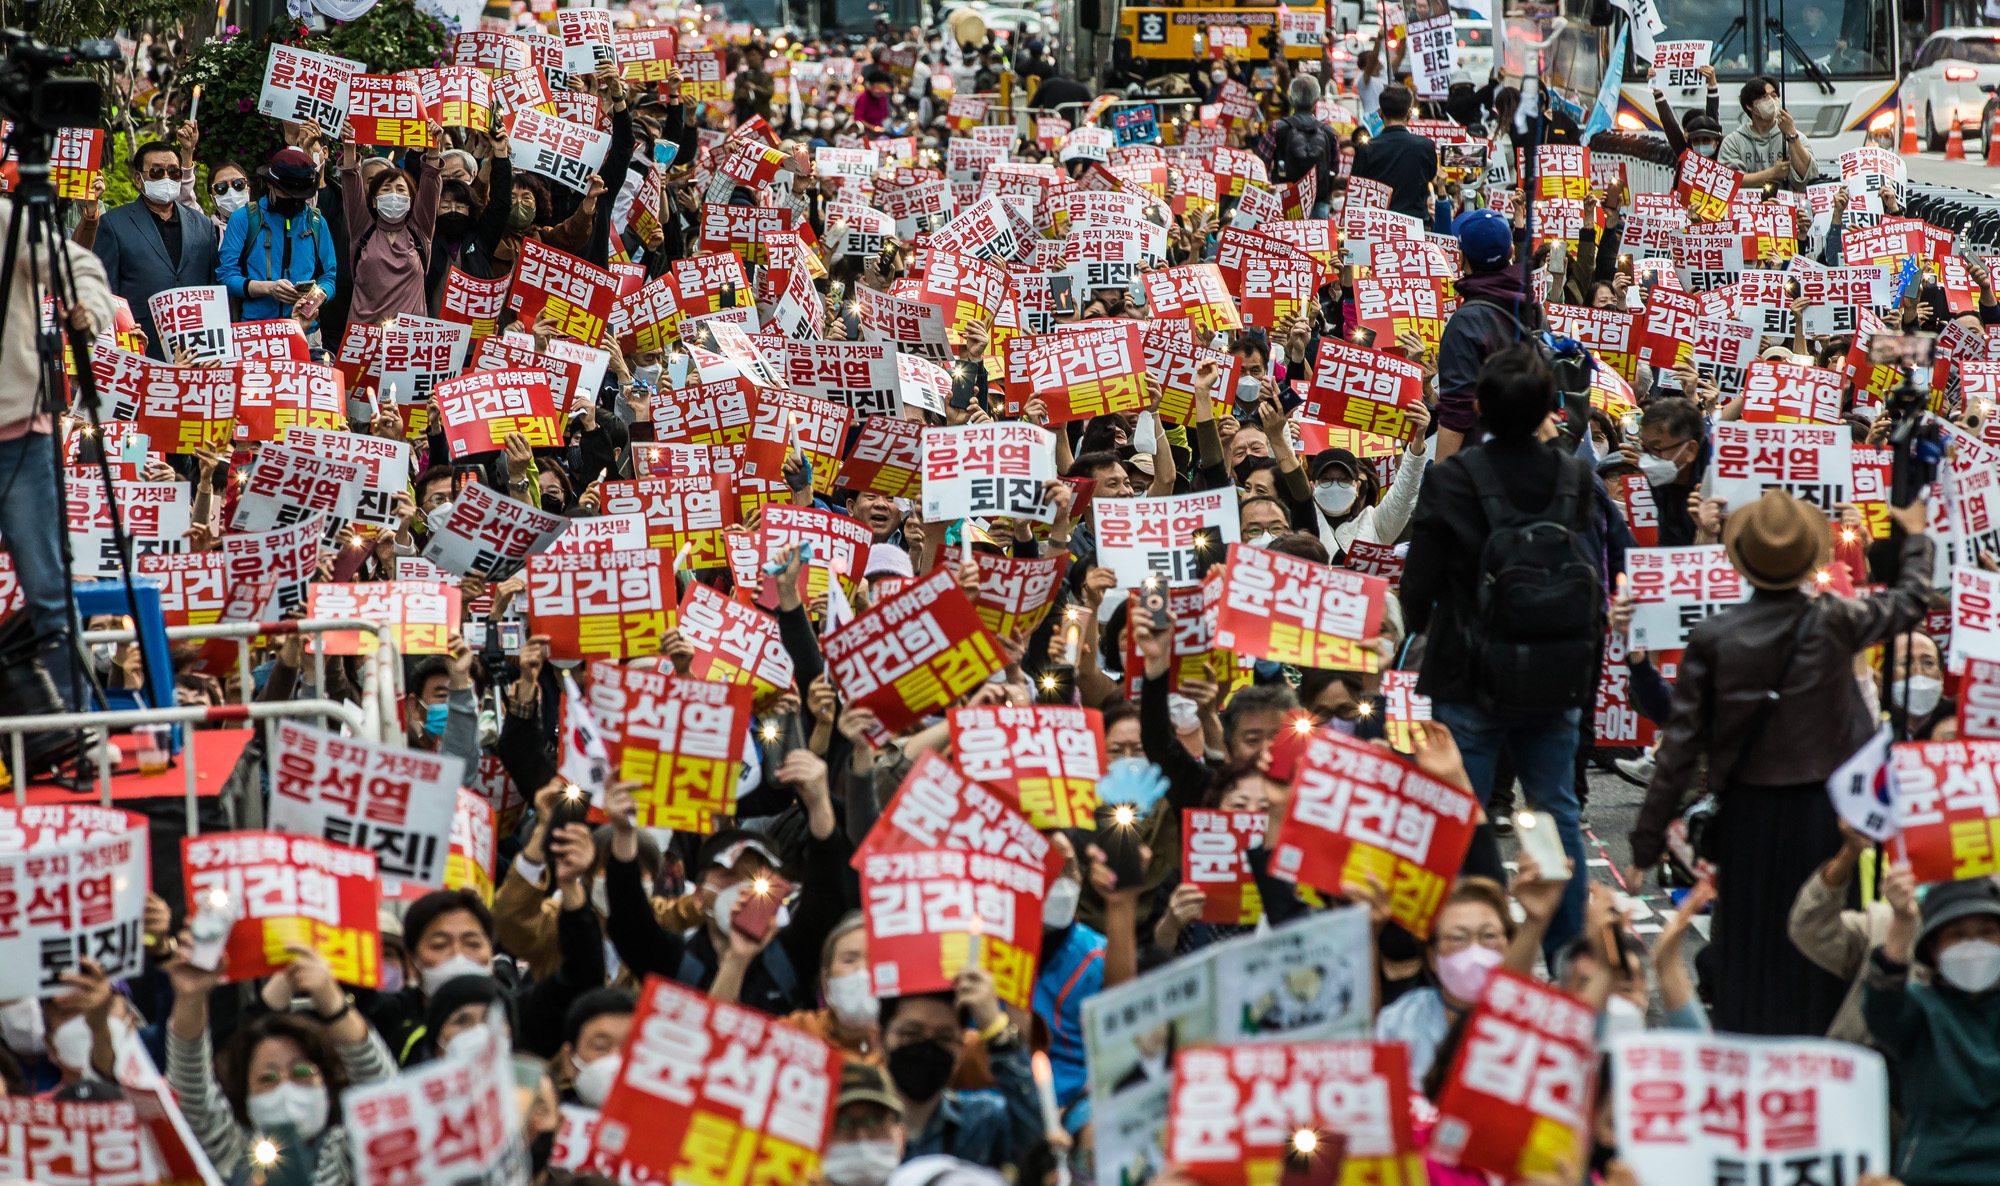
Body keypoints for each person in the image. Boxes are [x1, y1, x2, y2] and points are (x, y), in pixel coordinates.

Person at [1631, 489, 1933, 1035]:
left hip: (1747, 816)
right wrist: (1914, 539)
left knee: (1747, 940)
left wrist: (1645, 844)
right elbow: (1911, 602)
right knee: (1824, 934)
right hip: (1829, 816)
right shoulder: (1837, 620)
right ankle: (1822, 1057)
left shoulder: (1714, 636)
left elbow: (1679, 749)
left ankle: (1751, 1052)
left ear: (1742, 558)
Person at [1402, 343, 1603, 959]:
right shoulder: (1573, 474)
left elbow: (1418, 591)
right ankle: (1570, 959)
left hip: (1469, 675)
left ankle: (1471, 953)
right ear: (1550, 407)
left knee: (1460, 817)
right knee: (1556, 814)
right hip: (1556, 672)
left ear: (1481, 408)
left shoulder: (1451, 479)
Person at [0, 197, 113, 726]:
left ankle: (77, 727)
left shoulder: (5, 220)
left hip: (17, 434)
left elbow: (82, 265)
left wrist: (88, 309)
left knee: (47, 590)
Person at [1864, 867, 2000, 1183]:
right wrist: (1901, 921)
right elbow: (1884, 1003)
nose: (1974, 945)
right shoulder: (1919, 1007)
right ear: (1934, 951)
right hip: (1937, 1171)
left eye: (1987, 932)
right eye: (1957, 935)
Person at [87, 139, 220, 357]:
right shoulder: (114, 223)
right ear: (138, 179)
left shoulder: (202, 224)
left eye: (174, 172)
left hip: (196, 344)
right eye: (157, 172)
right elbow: (106, 290)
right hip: (139, 341)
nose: (166, 178)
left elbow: (211, 285)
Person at [216, 147, 338, 327]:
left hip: (305, 330)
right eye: (286, 192)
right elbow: (226, 276)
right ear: (270, 184)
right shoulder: (244, 218)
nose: (293, 199)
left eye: (300, 195)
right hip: (255, 328)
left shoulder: (317, 222)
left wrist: (313, 299)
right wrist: (268, 288)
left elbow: (329, 277)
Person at [341, 121, 446, 324]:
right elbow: (351, 180)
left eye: (400, 190)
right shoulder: (362, 229)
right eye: (386, 190)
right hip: (364, 338)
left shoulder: (419, 231)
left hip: (408, 341)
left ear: (411, 200)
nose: (394, 195)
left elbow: (431, 182)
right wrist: (349, 147)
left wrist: (434, 149)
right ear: (373, 199)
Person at [1348, 84, 1436, 222]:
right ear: (1409, 114)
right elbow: (1430, 177)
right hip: (1416, 225)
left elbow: (1356, 192)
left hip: (1379, 226)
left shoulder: (1366, 149)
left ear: (1380, 114)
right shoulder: (1426, 146)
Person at [1717, 76, 1815, 192]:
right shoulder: (1733, 141)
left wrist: (1791, 135)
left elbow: (1809, 177)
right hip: (1747, 207)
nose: (1771, 100)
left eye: (1774, 96)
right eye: (1764, 97)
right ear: (1749, 106)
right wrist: (1773, 173)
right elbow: (1728, 181)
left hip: (1784, 207)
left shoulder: (1795, 136)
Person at [1269, 75, 1337, 217]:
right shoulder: (1329, 132)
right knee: (1317, 238)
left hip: (1284, 199)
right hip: (1319, 200)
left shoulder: (1277, 128)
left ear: (1292, 99)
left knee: (1285, 238)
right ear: (1316, 100)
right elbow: (1334, 168)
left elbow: (1260, 163)